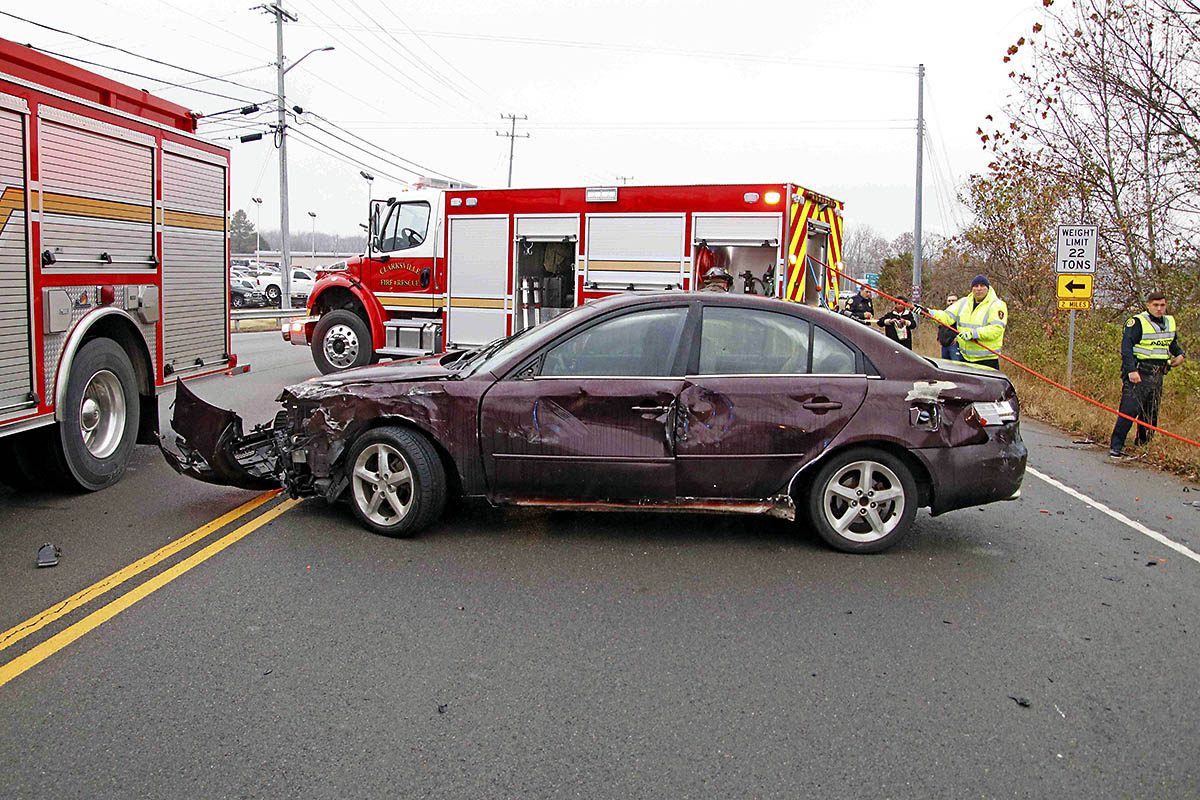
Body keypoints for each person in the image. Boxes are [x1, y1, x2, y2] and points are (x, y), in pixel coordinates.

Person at [1108, 291, 1186, 458]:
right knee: (1129, 410)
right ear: (1148, 305)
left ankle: (1142, 446)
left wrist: (1180, 354)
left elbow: (1171, 343)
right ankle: (1116, 446)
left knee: (1150, 413)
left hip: (1158, 373)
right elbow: (1126, 348)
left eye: (1162, 305)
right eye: (1155, 305)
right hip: (1140, 371)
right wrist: (1131, 371)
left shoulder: (1169, 322)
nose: (1159, 309)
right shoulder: (1137, 322)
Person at [928, 276, 1007, 370]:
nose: (979, 289)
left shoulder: (997, 304)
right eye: (976, 286)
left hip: (987, 360)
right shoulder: (963, 302)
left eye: (982, 286)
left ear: (988, 288)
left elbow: (996, 329)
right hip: (965, 358)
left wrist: (973, 334)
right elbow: (947, 317)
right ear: (972, 288)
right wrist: (929, 312)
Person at [937, 294, 960, 360]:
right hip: (944, 345)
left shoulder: (961, 313)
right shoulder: (944, 314)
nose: (951, 302)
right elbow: (941, 327)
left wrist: (958, 338)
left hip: (954, 344)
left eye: (953, 300)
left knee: (956, 365)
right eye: (949, 301)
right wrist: (939, 338)